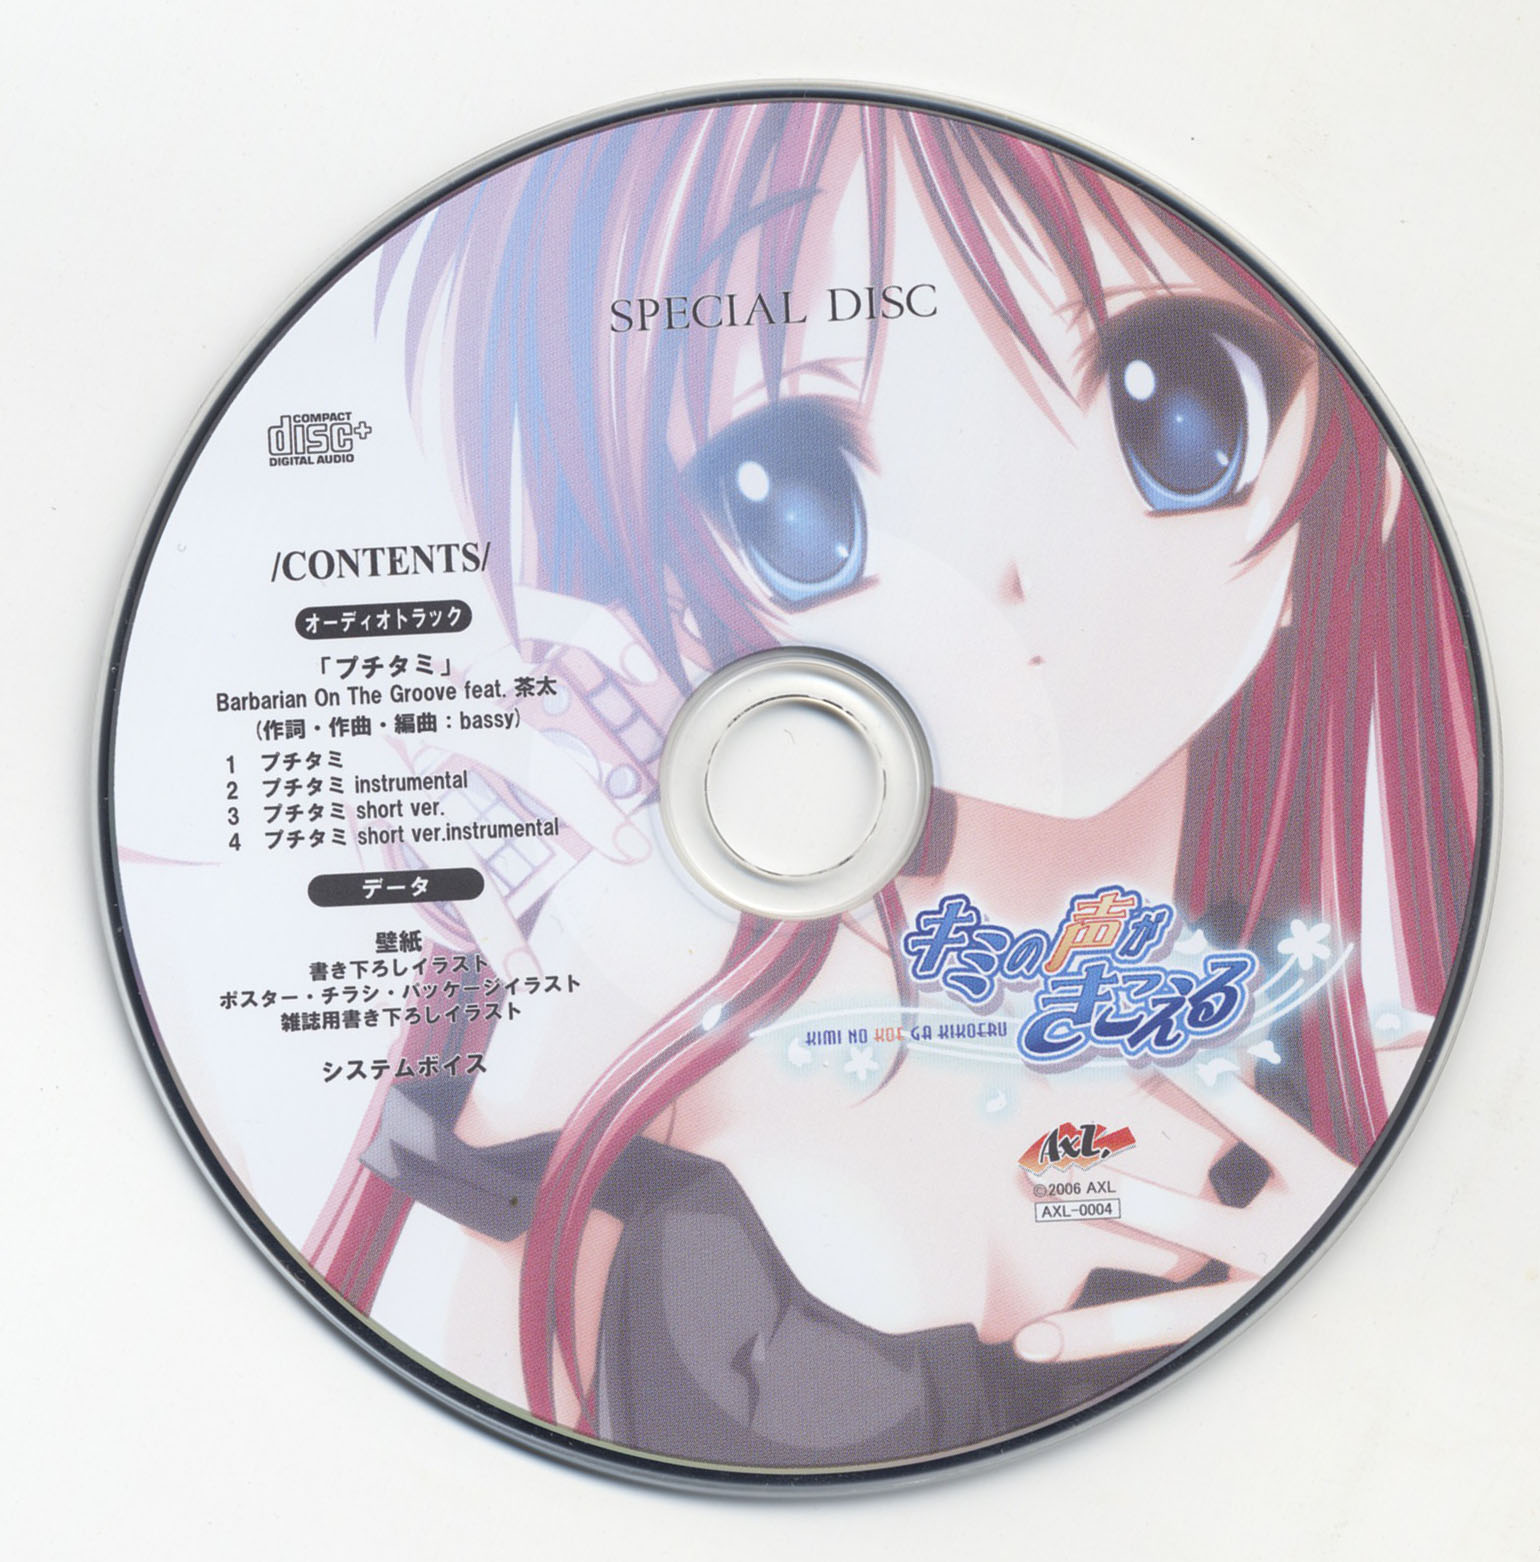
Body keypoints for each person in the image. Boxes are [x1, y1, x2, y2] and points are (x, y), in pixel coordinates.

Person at [304, 96, 1482, 1469]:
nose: (1013, 574)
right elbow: (430, 1464)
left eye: (1180, 406)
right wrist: (566, 982)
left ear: (1358, 471)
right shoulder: (642, 1016)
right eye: (796, 491)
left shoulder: (1416, 1094)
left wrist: (1377, 1316)